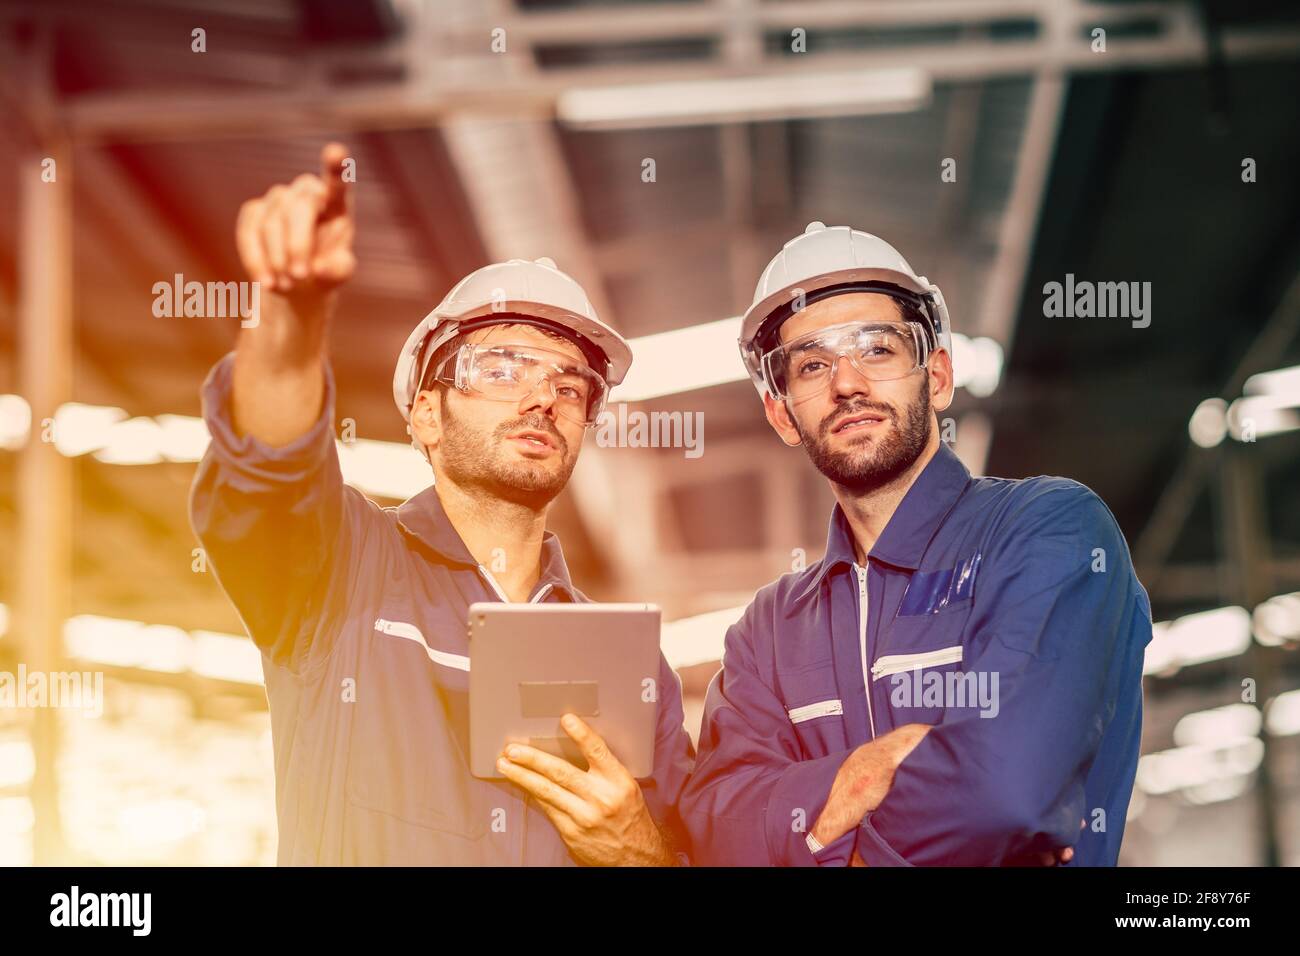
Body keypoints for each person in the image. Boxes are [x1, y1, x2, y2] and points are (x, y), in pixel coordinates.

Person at [190, 143, 693, 865]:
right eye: (499, 368)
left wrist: (639, 851)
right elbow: (268, 467)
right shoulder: (340, 570)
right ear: (425, 415)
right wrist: (291, 317)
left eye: (570, 384)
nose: (540, 397)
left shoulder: (633, 665)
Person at [679, 222, 1152, 866]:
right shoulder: (768, 629)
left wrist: (816, 839)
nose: (847, 383)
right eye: (813, 364)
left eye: (877, 349)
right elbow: (713, 831)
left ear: (937, 377)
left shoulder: (1049, 530)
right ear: (782, 414)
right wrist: (859, 775)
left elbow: (1004, 790)